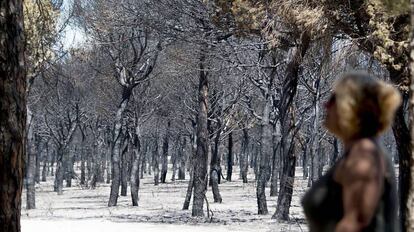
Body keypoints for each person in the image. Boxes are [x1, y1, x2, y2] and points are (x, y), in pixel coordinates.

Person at [301, 72, 401, 232]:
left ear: (350, 106)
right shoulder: (359, 152)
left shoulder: (364, 156)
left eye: (333, 99)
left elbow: (353, 224)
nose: (325, 105)